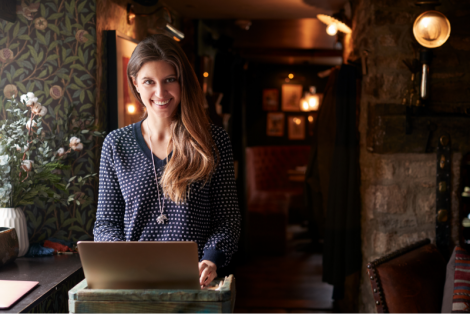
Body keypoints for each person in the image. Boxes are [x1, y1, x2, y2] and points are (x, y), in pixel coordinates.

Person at [93, 34, 241, 288]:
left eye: (170, 80)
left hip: (196, 284)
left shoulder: (213, 140)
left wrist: (212, 259)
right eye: (149, 82)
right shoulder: (116, 144)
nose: (160, 92)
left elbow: (228, 219)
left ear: (183, 82)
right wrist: (120, 259)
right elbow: (106, 223)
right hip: (133, 283)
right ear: (135, 84)